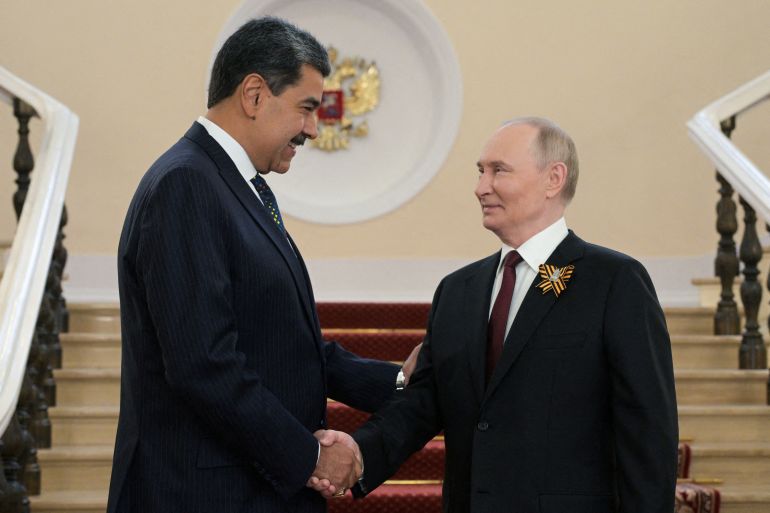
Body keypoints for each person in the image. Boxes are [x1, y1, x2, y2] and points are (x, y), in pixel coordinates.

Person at [107, 17, 418, 513]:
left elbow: (278, 343)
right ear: (254, 94)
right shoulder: (186, 184)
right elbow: (204, 365)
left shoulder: (237, 186)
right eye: (307, 108)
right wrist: (311, 458)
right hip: (207, 495)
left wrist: (400, 381)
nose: (313, 129)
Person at [311, 117, 679, 512]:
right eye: (480, 172)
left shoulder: (613, 281)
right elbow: (422, 404)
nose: (481, 187)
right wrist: (359, 454)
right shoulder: (457, 291)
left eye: (498, 171)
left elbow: (648, 433)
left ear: (554, 178)